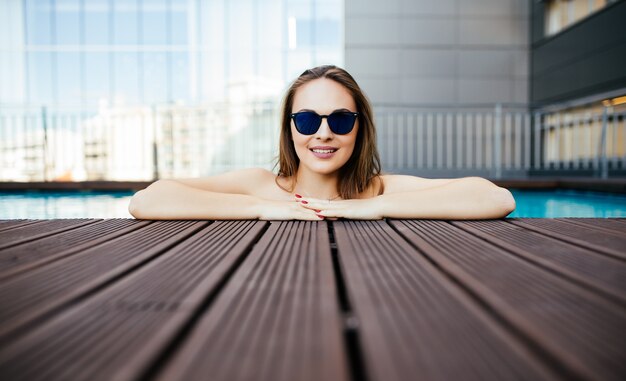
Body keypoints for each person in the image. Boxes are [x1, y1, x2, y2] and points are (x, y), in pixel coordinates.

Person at [129, 65, 515, 221]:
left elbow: (496, 198)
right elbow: (147, 200)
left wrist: (374, 208)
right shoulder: (260, 186)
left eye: (341, 120)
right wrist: (262, 209)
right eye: (308, 119)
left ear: (359, 128)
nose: (323, 133)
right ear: (291, 128)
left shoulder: (379, 189)